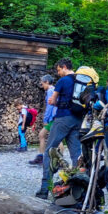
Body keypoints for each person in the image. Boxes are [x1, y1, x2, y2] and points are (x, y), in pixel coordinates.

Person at [36, 58, 82, 199]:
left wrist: (53, 102)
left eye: (58, 70)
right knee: (76, 155)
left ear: (63, 67)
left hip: (63, 119)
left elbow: (53, 101)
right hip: (78, 119)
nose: (58, 73)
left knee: (50, 151)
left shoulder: (63, 81)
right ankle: (77, 188)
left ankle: (45, 189)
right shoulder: (80, 80)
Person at [29, 74, 56, 165]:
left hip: (53, 118)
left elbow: (50, 106)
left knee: (54, 138)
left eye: (42, 84)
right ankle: (41, 157)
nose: (42, 86)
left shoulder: (50, 91)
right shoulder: (54, 90)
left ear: (47, 82)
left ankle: (57, 160)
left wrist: (46, 119)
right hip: (55, 117)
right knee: (43, 135)